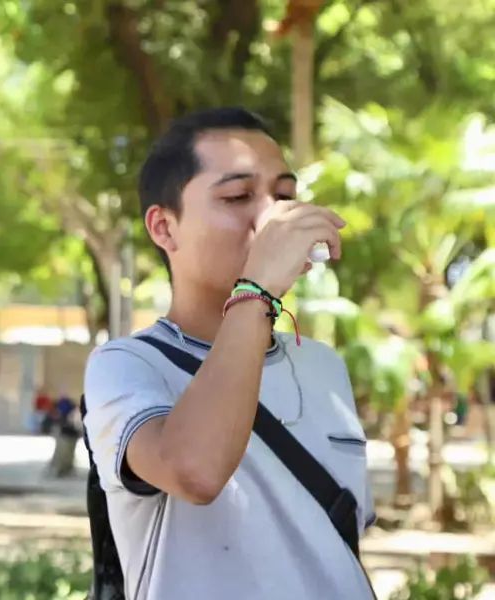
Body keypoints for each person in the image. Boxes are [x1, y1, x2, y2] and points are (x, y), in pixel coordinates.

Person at [81, 107, 375, 599]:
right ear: (163, 228)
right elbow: (193, 470)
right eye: (238, 196)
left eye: (283, 196)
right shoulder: (126, 366)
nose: (272, 217)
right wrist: (256, 290)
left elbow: (337, 547)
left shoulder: (324, 366)